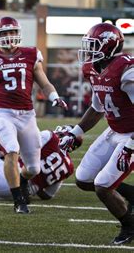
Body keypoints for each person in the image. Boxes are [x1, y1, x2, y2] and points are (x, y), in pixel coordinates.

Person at [0, 16, 67, 213]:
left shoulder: (31, 54)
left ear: (18, 34)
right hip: (4, 114)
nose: (8, 36)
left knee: (33, 168)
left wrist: (54, 96)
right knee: (11, 149)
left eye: (11, 32)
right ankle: (19, 200)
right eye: (4, 33)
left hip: (27, 115)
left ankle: (23, 182)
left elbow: (44, 82)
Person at [59, 23, 134, 245]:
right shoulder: (93, 69)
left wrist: (130, 146)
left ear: (110, 46)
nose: (89, 51)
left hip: (131, 134)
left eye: (94, 45)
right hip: (115, 130)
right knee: (83, 180)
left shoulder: (127, 70)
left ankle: (129, 226)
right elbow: (97, 107)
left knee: (103, 186)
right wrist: (75, 132)